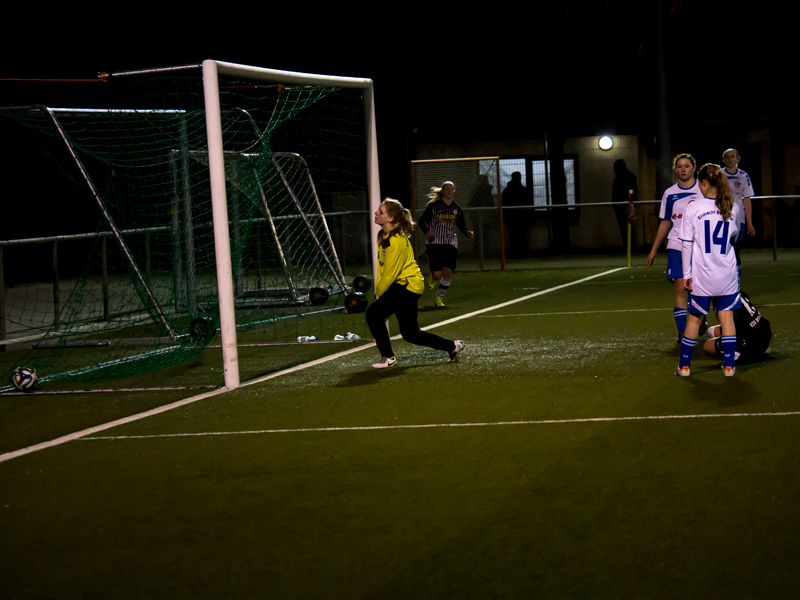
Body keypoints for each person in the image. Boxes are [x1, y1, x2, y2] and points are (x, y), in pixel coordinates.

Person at [366, 198, 465, 369]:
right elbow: (382, 268)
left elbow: (389, 276)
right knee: (411, 334)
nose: (375, 213)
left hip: (407, 286)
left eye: (380, 212)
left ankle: (387, 357)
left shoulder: (396, 241)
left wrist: (379, 297)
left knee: (373, 314)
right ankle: (452, 346)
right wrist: (380, 296)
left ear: (390, 218)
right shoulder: (382, 235)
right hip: (404, 285)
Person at [676, 163, 741, 377]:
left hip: (702, 275)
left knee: (694, 319)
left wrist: (687, 275)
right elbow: (734, 237)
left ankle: (684, 367)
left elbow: (686, 244)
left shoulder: (693, 208)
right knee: (727, 318)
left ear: (703, 182)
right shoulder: (733, 206)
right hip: (727, 273)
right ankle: (729, 366)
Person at [646, 153, 704, 342]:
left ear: (694, 168)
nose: (683, 169)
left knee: (699, 287)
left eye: (687, 165)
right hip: (677, 244)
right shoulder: (669, 193)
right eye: (680, 166)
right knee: (681, 287)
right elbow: (665, 222)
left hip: (700, 246)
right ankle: (682, 332)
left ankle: (700, 319)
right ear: (675, 169)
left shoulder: (703, 190)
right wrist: (654, 249)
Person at [418, 181, 474, 307]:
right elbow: (422, 220)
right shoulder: (433, 207)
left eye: (451, 189)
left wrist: (467, 233)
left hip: (450, 242)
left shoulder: (456, 209)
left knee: (448, 270)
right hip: (435, 242)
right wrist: (426, 231)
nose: (449, 191)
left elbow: (461, 224)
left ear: (454, 192)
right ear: (442, 191)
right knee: (438, 274)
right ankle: (433, 276)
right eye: (447, 189)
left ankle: (439, 299)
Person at [702, 291, 772, 362]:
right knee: (711, 331)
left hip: (749, 340)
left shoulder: (722, 302)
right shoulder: (733, 288)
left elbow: (736, 324)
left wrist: (735, 350)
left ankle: (747, 352)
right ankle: (759, 346)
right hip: (763, 330)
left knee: (707, 346)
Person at [721, 148, 756, 280]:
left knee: (736, 251)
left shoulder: (743, 176)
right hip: (721, 218)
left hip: (738, 219)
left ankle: (736, 282)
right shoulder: (719, 175)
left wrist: (749, 222)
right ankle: (722, 281)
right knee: (722, 251)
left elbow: (747, 199)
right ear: (724, 160)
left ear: (738, 159)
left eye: (732, 156)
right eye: (727, 157)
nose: (730, 159)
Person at [502, 171, 531, 257]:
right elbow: (528, 203)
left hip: (512, 216)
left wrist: (505, 216)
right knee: (521, 234)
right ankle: (522, 252)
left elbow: (504, 203)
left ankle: (515, 253)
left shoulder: (507, 190)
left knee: (514, 235)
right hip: (521, 216)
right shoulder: (523, 190)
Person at [612, 159, 638, 250]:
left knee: (624, 228)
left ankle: (628, 247)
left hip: (623, 206)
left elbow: (615, 194)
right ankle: (631, 247)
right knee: (628, 227)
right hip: (627, 206)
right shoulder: (631, 177)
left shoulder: (618, 179)